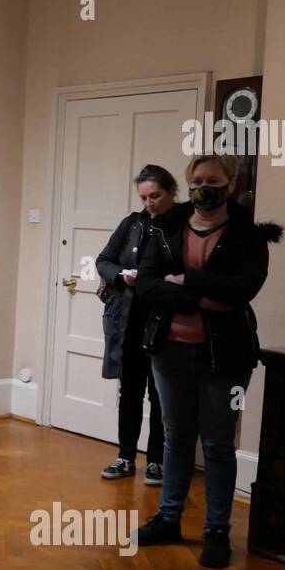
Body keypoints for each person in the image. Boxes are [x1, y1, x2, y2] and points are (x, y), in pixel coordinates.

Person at [132, 153, 284, 569]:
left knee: (217, 443)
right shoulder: (166, 226)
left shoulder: (248, 235)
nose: (204, 187)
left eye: (213, 180)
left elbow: (242, 289)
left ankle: (216, 531)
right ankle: (168, 518)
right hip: (170, 349)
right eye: (197, 179)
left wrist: (185, 280)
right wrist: (200, 297)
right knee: (176, 436)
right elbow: (146, 284)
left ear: (231, 183)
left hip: (227, 355)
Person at [95, 164, 179, 484]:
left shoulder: (181, 226)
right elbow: (103, 260)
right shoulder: (132, 223)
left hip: (164, 321)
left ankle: (156, 460)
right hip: (129, 319)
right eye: (144, 197)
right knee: (130, 391)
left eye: (155, 196)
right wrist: (121, 275)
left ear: (172, 192)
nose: (150, 203)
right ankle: (125, 456)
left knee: (160, 394)